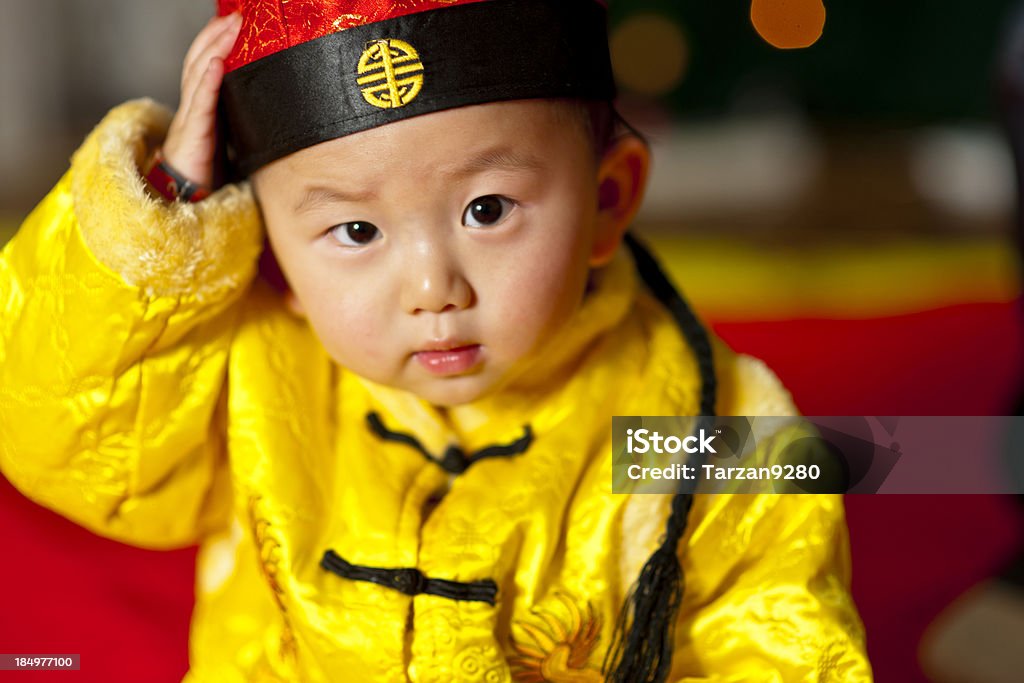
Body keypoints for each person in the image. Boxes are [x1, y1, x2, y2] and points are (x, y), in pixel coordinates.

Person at [0, 0, 872, 680]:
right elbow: (60, 429)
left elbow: (783, 647)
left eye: (487, 210)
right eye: (354, 231)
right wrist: (167, 224)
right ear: (270, 255)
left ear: (609, 199)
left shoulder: (711, 422)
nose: (432, 290)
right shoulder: (255, 371)